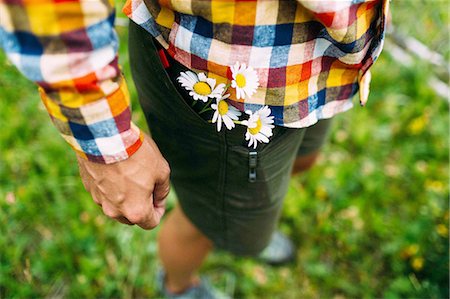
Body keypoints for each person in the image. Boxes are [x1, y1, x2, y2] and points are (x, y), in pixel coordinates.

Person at [0, 0, 389, 297]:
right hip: (223, 81)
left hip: (327, 65)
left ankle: (245, 224)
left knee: (293, 168)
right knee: (203, 220)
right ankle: (180, 285)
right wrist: (106, 144)